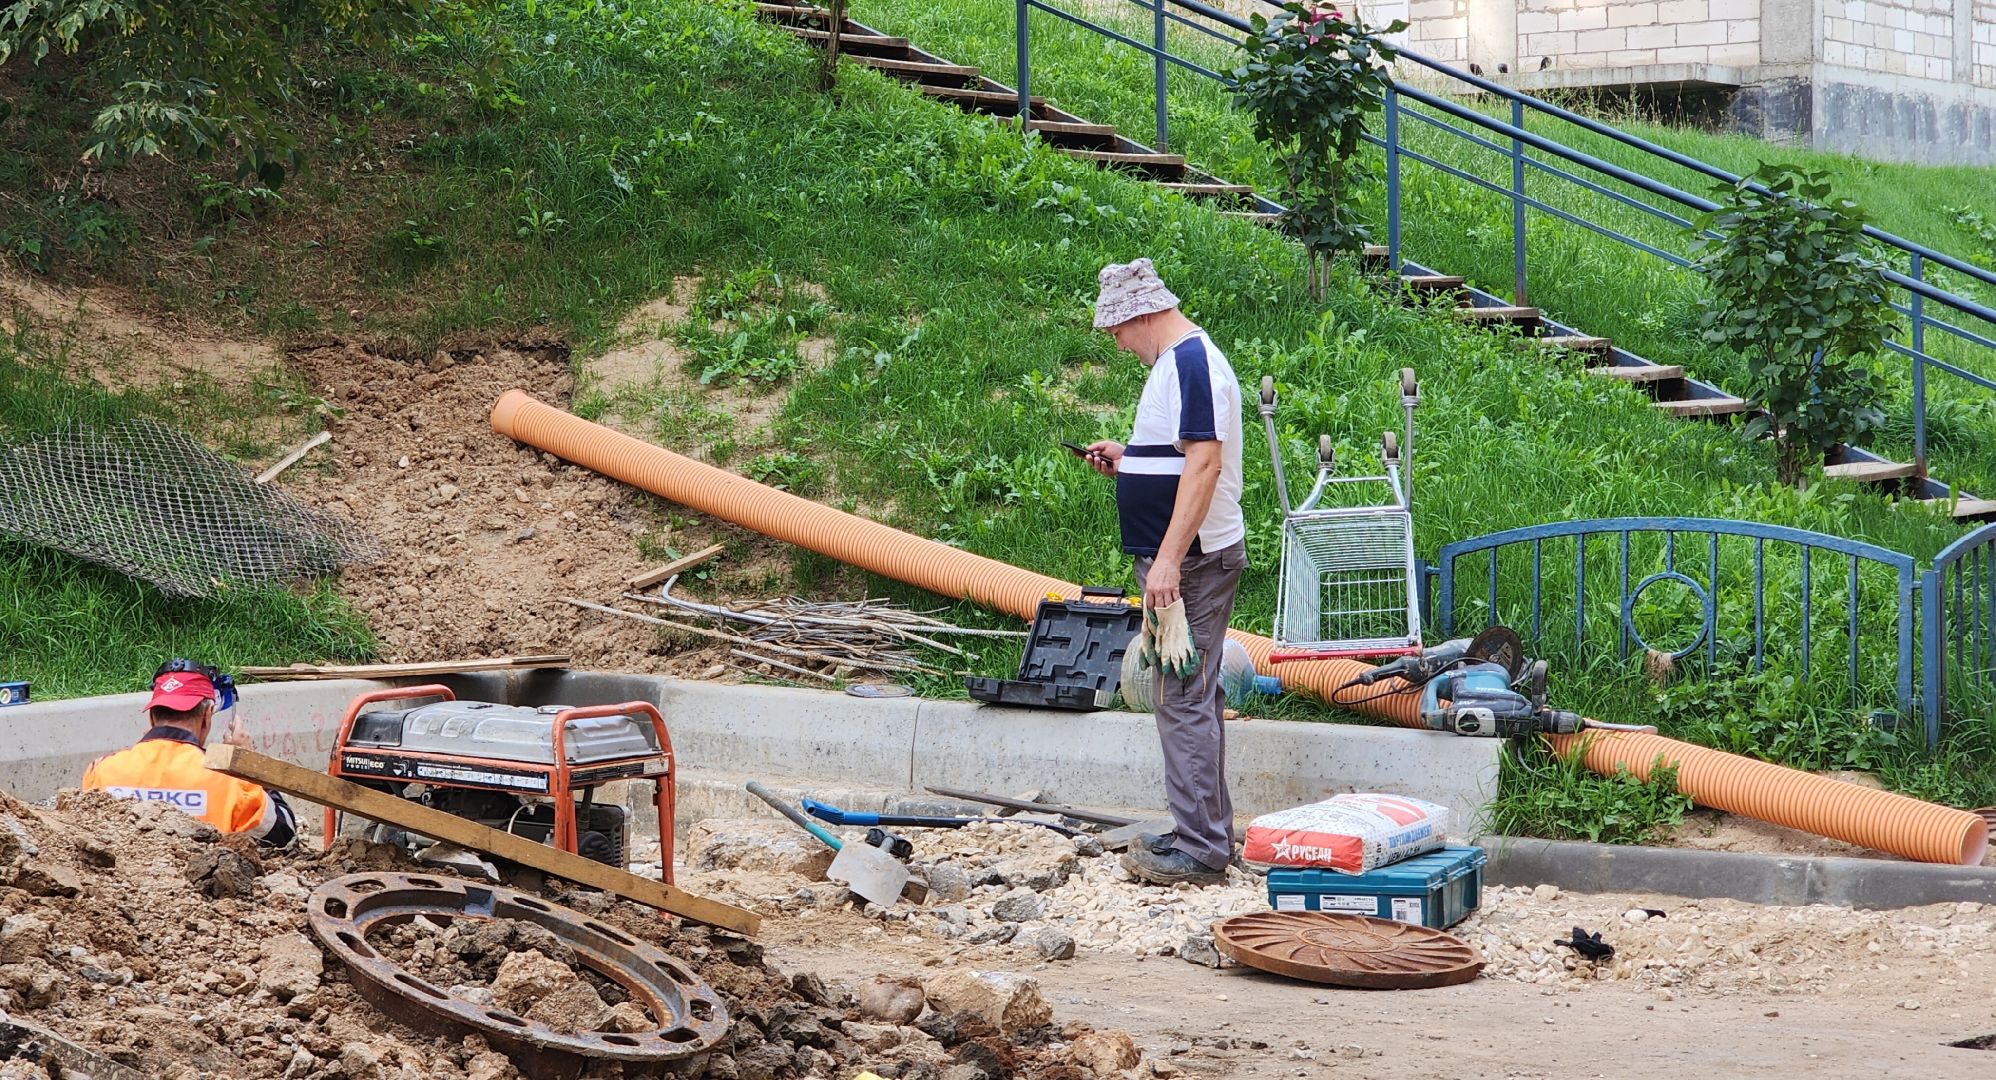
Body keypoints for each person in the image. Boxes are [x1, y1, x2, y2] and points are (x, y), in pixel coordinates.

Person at [1082, 258, 1247, 887]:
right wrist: (1133, 461)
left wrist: (1170, 560)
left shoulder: (1189, 363)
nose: (1117, 343)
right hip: (1190, 555)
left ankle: (1201, 849)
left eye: (1116, 331)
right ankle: (1202, 833)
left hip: (1194, 560)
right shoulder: (1179, 365)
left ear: (1138, 314)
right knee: (1190, 695)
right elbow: (1183, 456)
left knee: (1181, 697)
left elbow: (1205, 465)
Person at [81, 660, 297, 846]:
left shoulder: (100, 771)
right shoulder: (232, 782)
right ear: (207, 715)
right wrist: (249, 766)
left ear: (152, 718)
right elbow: (285, 835)